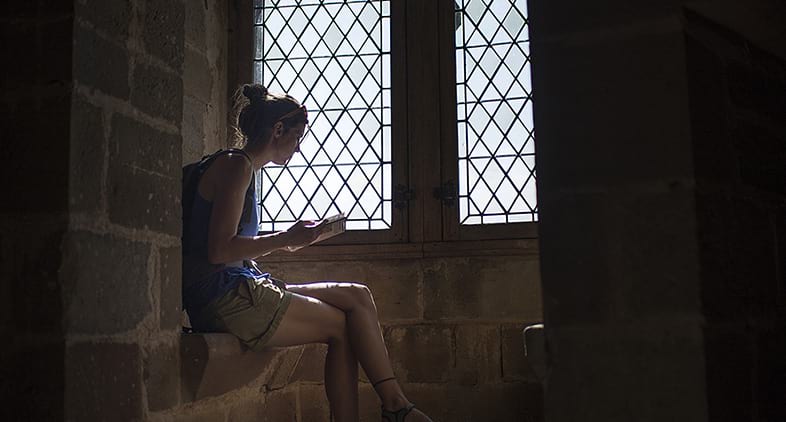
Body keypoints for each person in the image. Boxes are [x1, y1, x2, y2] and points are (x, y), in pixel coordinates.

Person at [182, 83, 434, 422]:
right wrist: (286, 237)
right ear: (278, 130)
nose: (298, 149)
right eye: (297, 138)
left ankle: (395, 404)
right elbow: (218, 250)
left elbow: (225, 249)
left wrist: (290, 241)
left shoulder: (234, 166)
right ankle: (395, 407)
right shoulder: (236, 167)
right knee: (342, 328)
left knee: (356, 296)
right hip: (222, 297)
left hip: (234, 284)